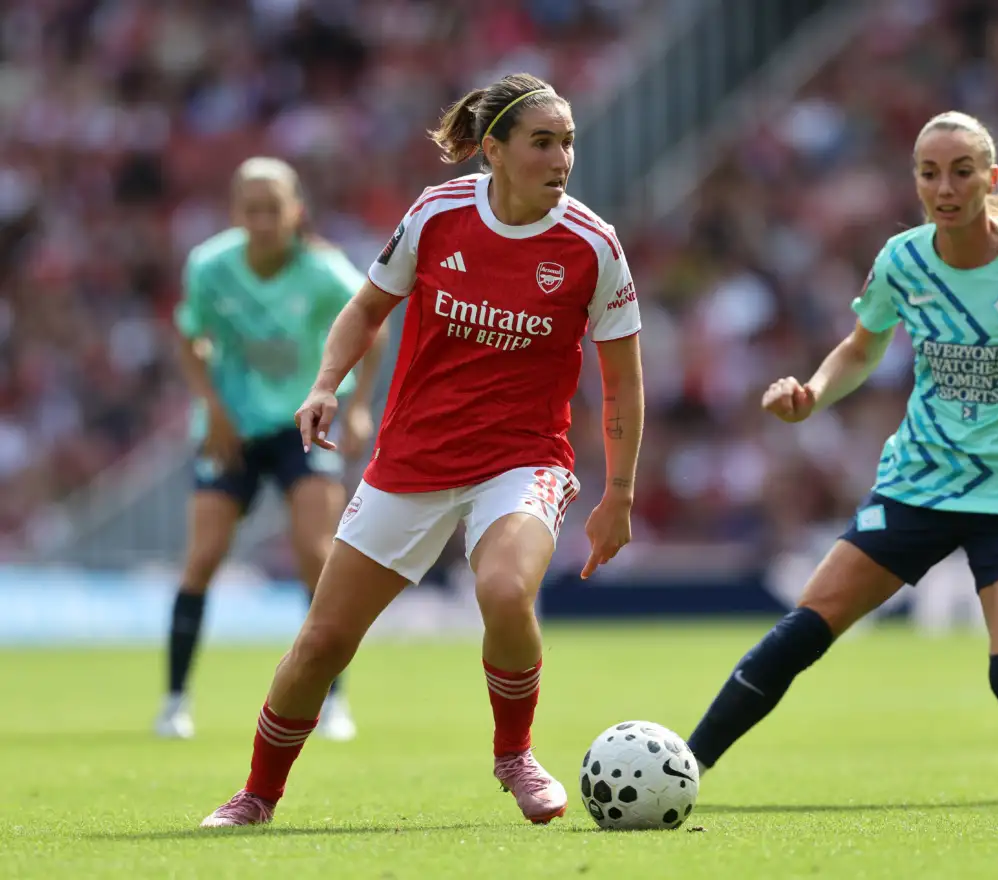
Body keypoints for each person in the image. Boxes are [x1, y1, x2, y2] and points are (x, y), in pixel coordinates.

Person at [198, 73, 645, 828]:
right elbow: (366, 307)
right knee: (322, 642)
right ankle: (257, 795)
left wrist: (621, 494)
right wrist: (325, 385)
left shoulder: (593, 245)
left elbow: (623, 382)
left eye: (568, 141)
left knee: (504, 592)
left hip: (523, 460)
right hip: (413, 460)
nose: (562, 157)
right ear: (494, 151)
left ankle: (515, 753)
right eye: (542, 141)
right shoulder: (437, 215)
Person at [685, 111, 998, 801]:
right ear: (916, 180)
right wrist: (814, 392)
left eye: (961, 172)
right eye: (929, 172)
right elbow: (863, 346)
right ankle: (684, 767)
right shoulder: (903, 260)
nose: (944, 187)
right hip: (922, 479)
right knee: (804, 629)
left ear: (991, 178)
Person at [157, 157, 387, 743]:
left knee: (317, 553)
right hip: (230, 426)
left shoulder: (324, 272)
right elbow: (189, 337)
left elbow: (372, 327)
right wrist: (210, 408)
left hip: (300, 425)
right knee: (203, 558)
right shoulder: (210, 266)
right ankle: (175, 699)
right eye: (250, 210)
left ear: (295, 212)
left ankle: (334, 700)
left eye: (272, 209)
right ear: (236, 214)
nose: (261, 221)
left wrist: (355, 405)